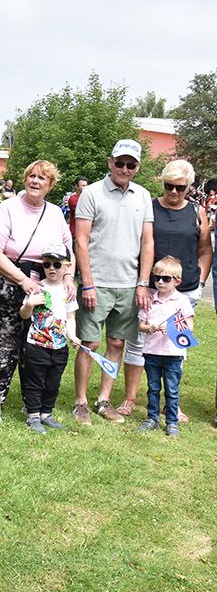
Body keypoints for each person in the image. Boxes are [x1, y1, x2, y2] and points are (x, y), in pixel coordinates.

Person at [117, 159, 211, 420]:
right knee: (138, 342)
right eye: (168, 186)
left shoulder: (196, 212)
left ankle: (171, 403)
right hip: (150, 287)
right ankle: (130, 397)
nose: (172, 192)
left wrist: (200, 283)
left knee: (175, 346)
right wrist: (142, 282)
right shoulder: (150, 207)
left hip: (185, 290)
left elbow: (204, 250)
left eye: (179, 188)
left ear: (189, 187)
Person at [0, 160, 72, 422]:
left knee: (35, 348)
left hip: (45, 288)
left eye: (42, 178)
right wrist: (22, 281)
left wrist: (67, 278)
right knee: (6, 344)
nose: (35, 181)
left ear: (50, 184)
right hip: (10, 285)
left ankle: (30, 401)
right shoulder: (9, 208)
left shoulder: (55, 213)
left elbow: (68, 250)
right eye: (31, 176)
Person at [73, 139, 154, 426]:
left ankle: (103, 400)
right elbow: (81, 241)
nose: (124, 168)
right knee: (90, 343)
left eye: (130, 164)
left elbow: (147, 242)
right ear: (110, 163)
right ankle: (80, 401)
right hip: (97, 283)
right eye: (119, 163)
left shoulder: (143, 196)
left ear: (137, 167)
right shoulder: (92, 193)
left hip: (129, 285)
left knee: (117, 343)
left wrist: (143, 282)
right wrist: (88, 283)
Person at [18, 243, 80, 433]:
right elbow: (24, 315)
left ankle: (46, 413)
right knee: (35, 381)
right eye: (47, 264)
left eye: (57, 264)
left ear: (67, 267)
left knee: (53, 382)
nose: (51, 269)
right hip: (37, 345)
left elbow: (70, 317)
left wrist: (73, 335)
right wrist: (30, 304)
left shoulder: (68, 291)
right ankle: (33, 416)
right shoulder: (37, 288)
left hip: (59, 346)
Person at [136, 256, 194, 436]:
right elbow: (140, 324)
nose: (160, 282)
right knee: (153, 387)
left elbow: (189, 326)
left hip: (173, 353)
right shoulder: (150, 300)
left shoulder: (182, 301)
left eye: (166, 279)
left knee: (172, 389)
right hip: (151, 352)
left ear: (177, 281)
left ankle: (171, 421)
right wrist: (148, 327)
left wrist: (172, 328)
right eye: (157, 278)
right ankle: (152, 418)